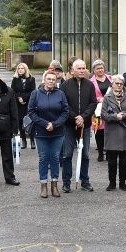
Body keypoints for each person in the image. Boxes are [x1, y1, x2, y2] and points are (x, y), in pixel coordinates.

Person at [28, 70, 70, 198]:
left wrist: (55, 124)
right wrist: (45, 124)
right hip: (41, 132)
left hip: (58, 132)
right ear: (44, 80)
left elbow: (65, 112)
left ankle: (54, 185)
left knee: (56, 158)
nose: (51, 81)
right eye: (49, 79)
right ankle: (43, 185)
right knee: (43, 158)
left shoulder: (60, 94)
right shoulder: (35, 94)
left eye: (53, 79)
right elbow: (31, 112)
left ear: (56, 81)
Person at [61, 59, 98, 192]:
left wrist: (83, 117)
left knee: (85, 154)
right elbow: (64, 104)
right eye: (79, 69)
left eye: (84, 68)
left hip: (85, 125)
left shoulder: (89, 85)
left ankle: (84, 180)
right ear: (73, 70)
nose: (82, 71)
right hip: (69, 125)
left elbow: (93, 103)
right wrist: (75, 117)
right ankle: (66, 182)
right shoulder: (65, 85)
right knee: (67, 154)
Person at [101, 75, 126, 191]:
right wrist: (116, 117)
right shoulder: (107, 97)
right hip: (111, 132)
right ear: (112, 84)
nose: (119, 86)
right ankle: (112, 183)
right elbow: (103, 115)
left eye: (121, 83)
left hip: (125, 132)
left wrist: (125, 115)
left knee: (123, 160)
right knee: (111, 160)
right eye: (117, 83)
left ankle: (122, 183)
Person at [89, 59, 113, 160]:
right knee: (99, 131)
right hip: (97, 109)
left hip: (110, 107)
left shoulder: (110, 78)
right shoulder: (91, 82)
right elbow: (90, 95)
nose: (100, 70)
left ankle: (108, 151)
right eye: (98, 68)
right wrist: (99, 99)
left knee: (109, 130)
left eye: (102, 68)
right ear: (94, 70)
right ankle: (100, 152)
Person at [11, 62, 36, 150]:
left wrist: (24, 98)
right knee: (20, 122)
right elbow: (12, 91)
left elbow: (33, 91)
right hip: (18, 104)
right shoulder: (15, 79)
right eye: (19, 68)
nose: (20, 70)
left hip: (28, 103)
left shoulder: (31, 79)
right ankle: (23, 140)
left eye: (22, 68)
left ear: (25, 69)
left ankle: (32, 140)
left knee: (29, 121)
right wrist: (19, 98)